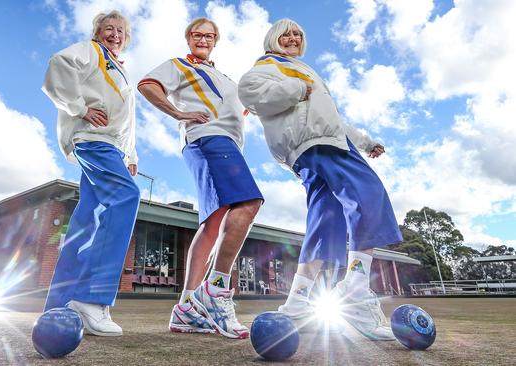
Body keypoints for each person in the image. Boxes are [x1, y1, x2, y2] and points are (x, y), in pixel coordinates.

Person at [238, 18, 403, 341]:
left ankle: (298, 300)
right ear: (272, 38)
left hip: (322, 140)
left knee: (325, 218)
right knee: (369, 192)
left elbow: (333, 118)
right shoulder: (268, 66)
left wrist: (365, 141)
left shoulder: (308, 70)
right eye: (285, 33)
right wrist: (298, 89)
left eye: (297, 34)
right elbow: (250, 92)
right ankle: (355, 289)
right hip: (314, 141)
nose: (292, 37)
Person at [138, 18, 263, 339]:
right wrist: (178, 113)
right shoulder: (179, 65)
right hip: (208, 138)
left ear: (216, 40)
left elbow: (241, 107)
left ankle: (185, 308)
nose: (203, 39)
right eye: (197, 34)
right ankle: (217, 291)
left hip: (226, 142)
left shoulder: (225, 77)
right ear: (188, 38)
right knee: (249, 202)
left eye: (209, 35)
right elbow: (148, 84)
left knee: (215, 219)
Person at [41, 10, 139, 337]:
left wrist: (131, 154)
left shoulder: (122, 70)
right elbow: (58, 64)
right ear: (97, 32)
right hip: (92, 140)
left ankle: (59, 305)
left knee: (87, 220)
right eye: (108, 28)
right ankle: (93, 297)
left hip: (112, 147)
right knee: (126, 197)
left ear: (127, 38)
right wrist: (80, 108)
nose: (114, 33)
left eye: (120, 30)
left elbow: (129, 120)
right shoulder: (90, 50)